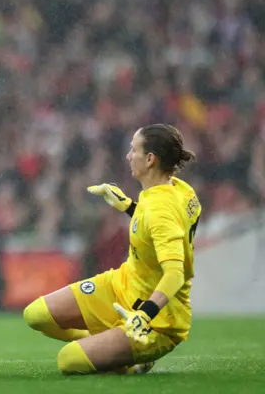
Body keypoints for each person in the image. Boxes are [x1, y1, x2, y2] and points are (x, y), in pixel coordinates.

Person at [23, 124, 201, 375]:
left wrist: (145, 314)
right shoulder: (180, 189)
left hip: (158, 320)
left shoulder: (161, 209)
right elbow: (159, 224)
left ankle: (134, 363)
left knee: (69, 360)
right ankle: (110, 342)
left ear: (150, 159)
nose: (129, 156)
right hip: (123, 284)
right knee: (36, 315)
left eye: (134, 150)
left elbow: (175, 273)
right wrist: (127, 206)